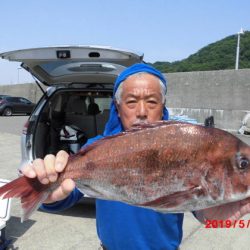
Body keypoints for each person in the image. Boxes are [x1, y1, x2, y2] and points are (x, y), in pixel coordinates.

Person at [22, 63, 250, 250]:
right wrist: (48, 193)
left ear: (163, 106)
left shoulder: (183, 145)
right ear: (117, 107)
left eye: (151, 101)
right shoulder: (94, 148)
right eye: (131, 101)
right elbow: (68, 195)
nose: (142, 111)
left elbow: (192, 202)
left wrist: (210, 213)